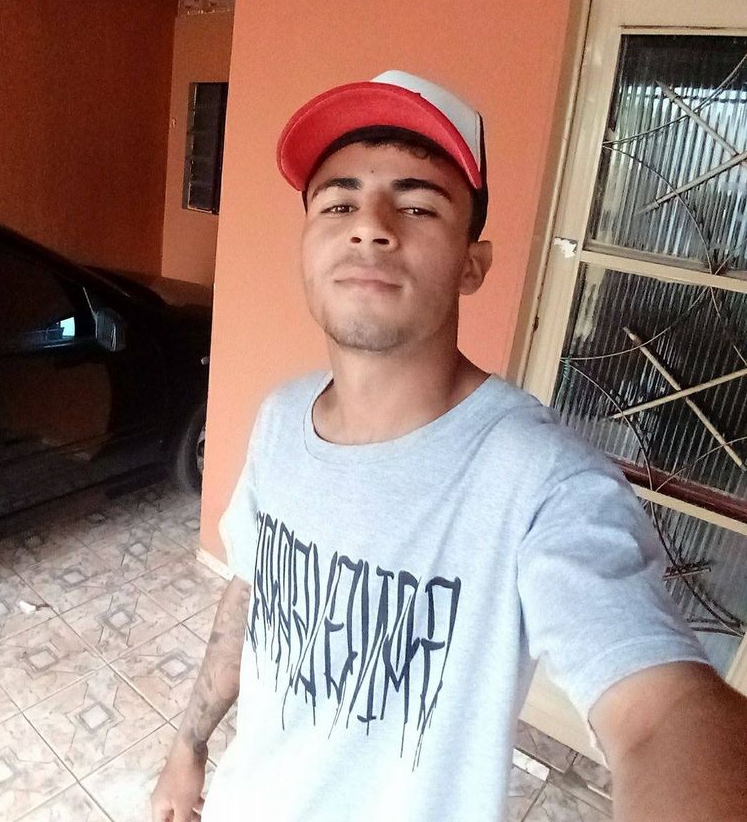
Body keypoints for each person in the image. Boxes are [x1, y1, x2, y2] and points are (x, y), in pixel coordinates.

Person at [150, 71, 747, 822]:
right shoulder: (279, 419)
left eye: (416, 204)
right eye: (338, 202)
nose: (370, 226)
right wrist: (188, 747)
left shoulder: (542, 483)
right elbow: (250, 592)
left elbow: (662, 713)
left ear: (472, 264)